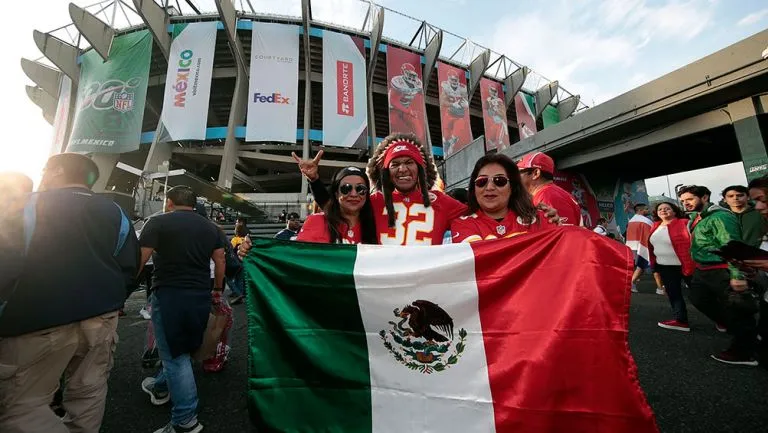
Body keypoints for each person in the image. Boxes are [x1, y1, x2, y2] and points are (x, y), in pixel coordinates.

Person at [0, 153, 140, 433]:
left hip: (33, 320)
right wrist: (112, 301)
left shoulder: (25, 204)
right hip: (101, 317)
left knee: (21, 406)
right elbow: (129, 266)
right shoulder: (115, 211)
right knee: (89, 391)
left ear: (58, 171)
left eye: (45, 169)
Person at [138, 185, 226, 433]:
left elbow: (141, 258)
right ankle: (160, 386)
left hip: (169, 294)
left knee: (174, 356)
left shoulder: (158, 222)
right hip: (200, 294)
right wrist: (217, 290)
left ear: (169, 202)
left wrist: (123, 286)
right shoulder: (211, 227)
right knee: (184, 348)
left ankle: (185, 420)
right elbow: (220, 260)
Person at [677, 185, 756, 366]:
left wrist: (737, 275)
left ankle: (744, 352)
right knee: (698, 299)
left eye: (690, 199)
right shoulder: (696, 218)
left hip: (721, 268)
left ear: (705, 197)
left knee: (737, 309)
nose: (685, 203)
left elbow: (732, 246)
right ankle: (743, 331)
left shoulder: (720, 216)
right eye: (683, 201)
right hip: (703, 269)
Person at [450, 154, 555, 242]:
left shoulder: (541, 218)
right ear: (474, 188)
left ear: (512, 187)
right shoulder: (462, 224)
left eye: (499, 181)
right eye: (481, 181)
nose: (489, 187)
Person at [297, 166, 378, 244]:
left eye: (360, 189)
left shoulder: (377, 224)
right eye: (346, 188)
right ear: (336, 194)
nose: (354, 194)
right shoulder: (317, 221)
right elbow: (301, 252)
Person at [648, 202, 695, 332]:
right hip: (665, 266)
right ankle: (681, 321)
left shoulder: (684, 223)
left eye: (667, 208)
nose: (663, 210)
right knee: (674, 295)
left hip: (686, 265)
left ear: (674, 211)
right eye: (660, 209)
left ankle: (721, 320)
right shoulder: (655, 226)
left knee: (700, 295)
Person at [517, 152, 582, 226]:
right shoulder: (551, 193)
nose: (515, 178)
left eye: (517, 173)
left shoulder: (547, 196)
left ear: (536, 173)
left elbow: (564, 231)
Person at [626, 203, 664, 294]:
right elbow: (652, 235)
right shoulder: (646, 221)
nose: (648, 210)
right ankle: (660, 288)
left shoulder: (631, 220)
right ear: (640, 210)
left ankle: (632, 283)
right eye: (646, 209)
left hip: (632, 246)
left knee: (641, 266)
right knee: (653, 267)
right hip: (644, 246)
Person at [389, 63, 425, 141]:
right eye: (409, 74)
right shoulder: (398, 82)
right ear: (403, 72)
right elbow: (393, 101)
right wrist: (408, 111)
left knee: (418, 129)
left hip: (406, 106)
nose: (411, 77)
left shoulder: (417, 84)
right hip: (393, 109)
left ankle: (415, 143)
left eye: (413, 75)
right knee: (394, 127)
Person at [439, 70, 472, 154]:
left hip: (459, 115)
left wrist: (466, 105)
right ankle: (447, 144)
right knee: (446, 136)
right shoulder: (446, 87)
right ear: (448, 79)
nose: (454, 81)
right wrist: (452, 104)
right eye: (452, 79)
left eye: (455, 80)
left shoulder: (462, 88)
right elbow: (442, 101)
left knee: (459, 126)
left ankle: (452, 144)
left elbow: (465, 99)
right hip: (449, 114)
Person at [228, 224, 249, 304]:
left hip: (236, 262)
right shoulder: (246, 240)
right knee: (240, 279)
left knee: (229, 279)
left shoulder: (235, 239)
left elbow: (230, 249)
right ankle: (239, 293)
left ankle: (238, 293)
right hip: (244, 262)